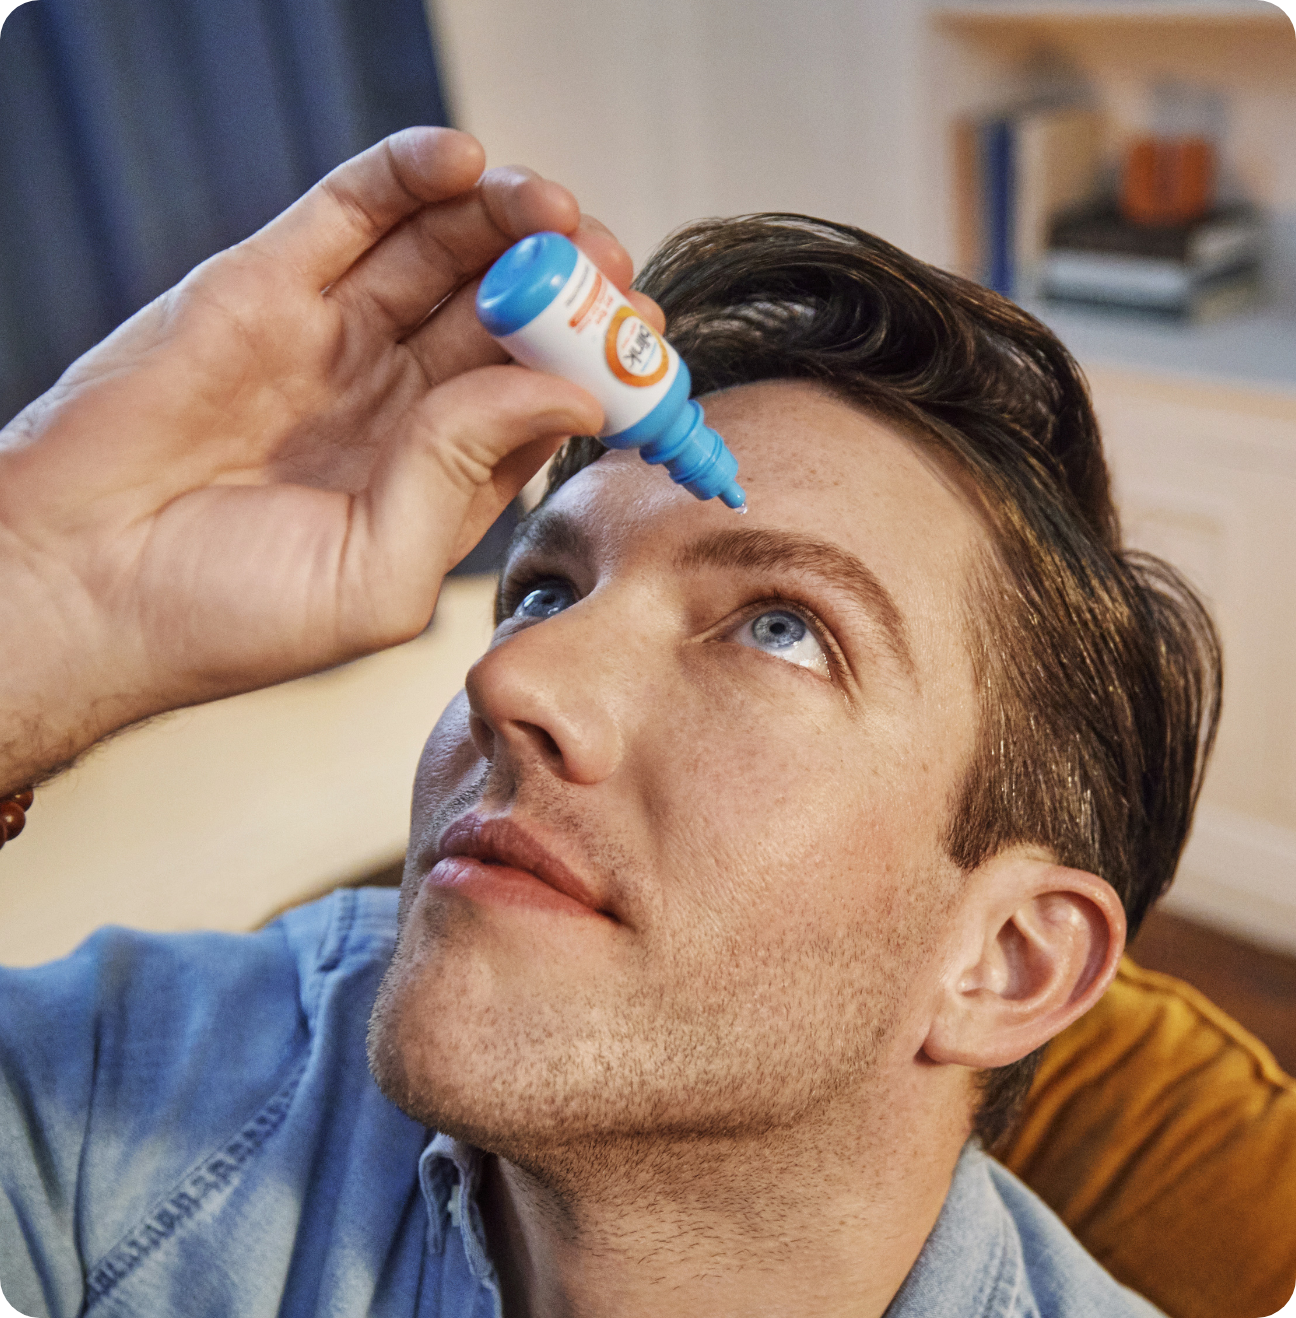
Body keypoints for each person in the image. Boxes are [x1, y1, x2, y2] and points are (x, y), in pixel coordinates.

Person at [0, 128, 1219, 1318]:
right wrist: (43, 604)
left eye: (782, 626)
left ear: (1007, 961)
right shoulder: (163, 1088)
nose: (517, 680)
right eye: (545, 590)